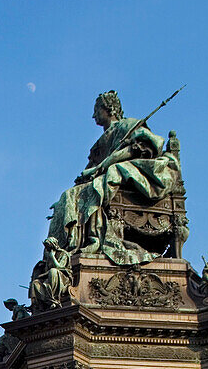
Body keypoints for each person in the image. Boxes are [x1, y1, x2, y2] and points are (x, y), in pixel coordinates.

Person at [48, 90, 181, 265]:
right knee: (67, 196)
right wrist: (88, 174)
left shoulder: (129, 126)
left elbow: (142, 148)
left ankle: (95, 239)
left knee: (96, 186)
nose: (94, 115)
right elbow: (91, 169)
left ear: (109, 108)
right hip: (104, 178)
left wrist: (105, 164)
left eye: (97, 109)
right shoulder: (100, 142)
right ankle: (64, 248)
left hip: (128, 180)